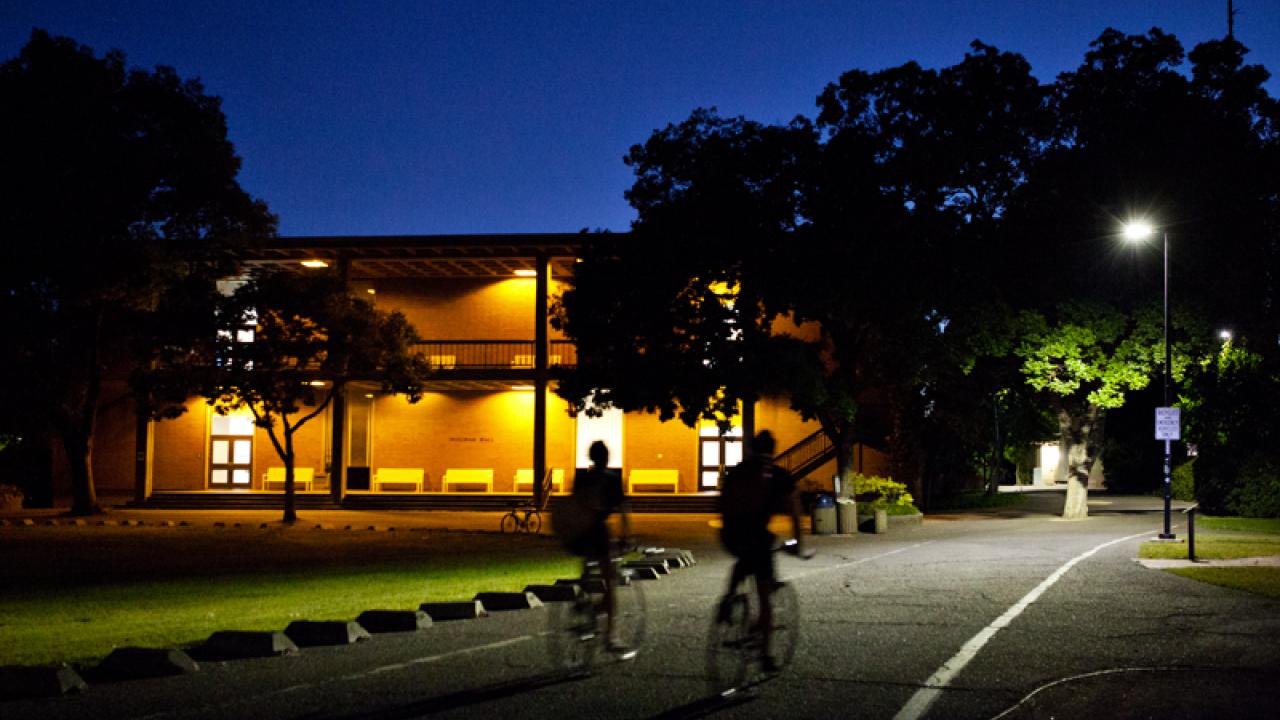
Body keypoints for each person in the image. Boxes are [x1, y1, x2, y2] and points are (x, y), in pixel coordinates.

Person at [717, 429, 812, 672]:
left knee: (743, 559)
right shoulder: (778, 475)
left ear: (751, 447)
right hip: (757, 535)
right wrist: (798, 545)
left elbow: (722, 502)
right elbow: (794, 511)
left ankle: (729, 597)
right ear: (773, 450)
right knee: (764, 593)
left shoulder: (737, 471)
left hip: (729, 533)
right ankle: (766, 655)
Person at [566, 440, 634, 657]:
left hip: (579, 532)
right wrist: (625, 537)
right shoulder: (612, 479)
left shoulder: (582, 477)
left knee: (587, 565)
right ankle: (610, 637)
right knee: (609, 583)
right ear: (606, 457)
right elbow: (623, 511)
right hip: (598, 532)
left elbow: (573, 505)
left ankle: (583, 598)